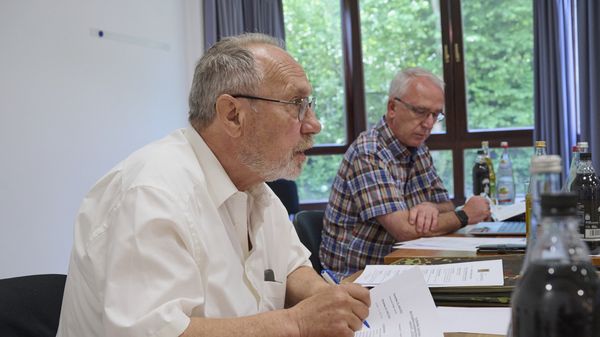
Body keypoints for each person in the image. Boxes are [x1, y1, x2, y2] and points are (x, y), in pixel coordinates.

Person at [56, 33, 370, 337]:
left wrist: (330, 300)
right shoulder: (151, 193)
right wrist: (298, 324)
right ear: (233, 115)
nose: (314, 124)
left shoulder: (257, 189)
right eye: (296, 104)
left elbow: (290, 269)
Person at [320, 67, 491, 279]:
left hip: (402, 266)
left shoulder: (419, 149)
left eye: (435, 114)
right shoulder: (369, 152)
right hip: (356, 278)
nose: (428, 124)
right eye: (420, 111)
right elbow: (404, 230)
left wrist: (430, 207)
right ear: (392, 107)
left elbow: (445, 205)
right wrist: (465, 215)